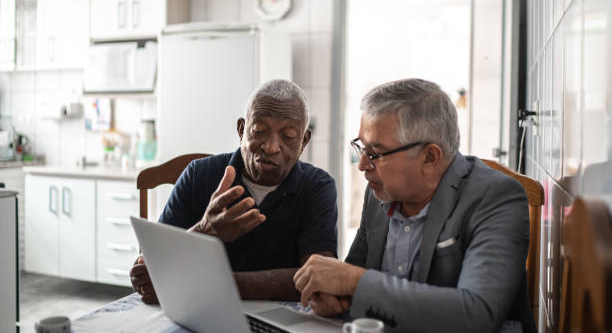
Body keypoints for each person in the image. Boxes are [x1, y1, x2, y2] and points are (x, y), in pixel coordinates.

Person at [294, 78, 536, 333]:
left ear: (430, 157)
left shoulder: (496, 197)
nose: (363, 165)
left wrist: (355, 281)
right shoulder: (378, 194)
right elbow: (352, 287)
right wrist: (333, 297)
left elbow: (476, 315)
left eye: (375, 153)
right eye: (361, 148)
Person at [131, 79, 338, 304]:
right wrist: (205, 231)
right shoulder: (198, 175)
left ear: (304, 141)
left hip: (277, 317)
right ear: (241, 130)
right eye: (259, 131)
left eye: (288, 136)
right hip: (199, 309)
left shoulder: (317, 186)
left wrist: (204, 283)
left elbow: (320, 279)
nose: (270, 147)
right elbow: (154, 264)